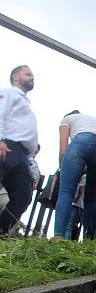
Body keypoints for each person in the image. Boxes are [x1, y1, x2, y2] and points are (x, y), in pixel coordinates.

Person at [53, 111, 96, 240]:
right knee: (91, 199)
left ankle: (59, 235)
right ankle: (90, 238)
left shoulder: (66, 119)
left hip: (81, 142)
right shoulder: (94, 120)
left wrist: (62, 169)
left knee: (66, 191)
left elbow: (63, 148)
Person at [0, 65, 38, 235]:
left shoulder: (25, 104)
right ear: (15, 77)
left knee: (23, 195)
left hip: (22, 156)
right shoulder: (9, 93)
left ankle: (1, 231)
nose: (32, 77)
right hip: (7, 146)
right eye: (27, 74)